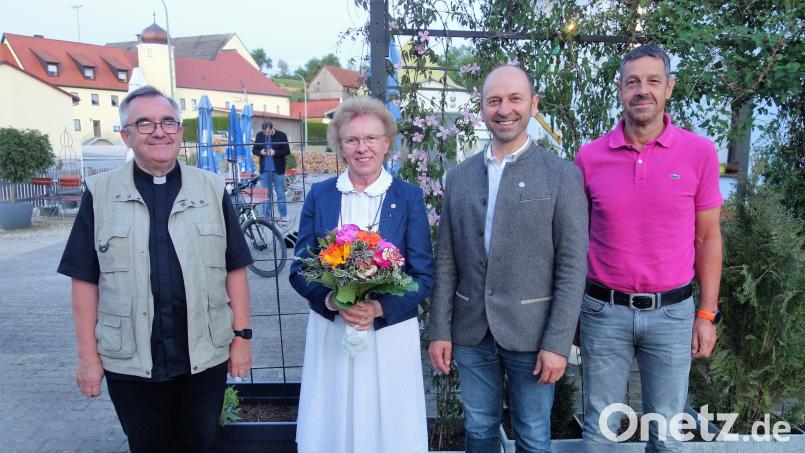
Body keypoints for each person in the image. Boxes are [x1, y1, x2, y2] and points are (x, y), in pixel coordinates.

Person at [57, 86, 254, 453]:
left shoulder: (211, 189)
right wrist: (87, 358)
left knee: (202, 443)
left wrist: (241, 339)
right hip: (130, 359)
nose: (159, 132)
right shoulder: (100, 194)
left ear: (180, 131)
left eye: (168, 122)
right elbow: (84, 280)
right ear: (126, 136)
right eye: (145, 123)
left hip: (204, 354)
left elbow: (235, 268)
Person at [428, 65, 589, 453]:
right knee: (478, 428)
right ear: (482, 108)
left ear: (534, 104)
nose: (504, 109)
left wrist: (558, 343)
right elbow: (446, 259)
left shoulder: (562, 176)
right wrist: (439, 330)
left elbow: (572, 267)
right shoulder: (459, 177)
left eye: (515, 98)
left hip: (533, 335)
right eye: (494, 100)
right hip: (471, 331)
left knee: (533, 435)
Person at [574, 45, 723, 452]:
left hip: (672, 315)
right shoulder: (590, 157)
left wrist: (707, 313)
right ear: (620, 89)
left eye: (653, 81)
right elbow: (574, 241)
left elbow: (709, 238)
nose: (643, 90)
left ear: (669, 87)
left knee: (668, 436)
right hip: (603, 312)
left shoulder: (699, 153)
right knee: (599, 433)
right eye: (633, 82)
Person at [289, 96, 434, 453]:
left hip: (388, 335)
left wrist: (379, 308)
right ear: (339, 145)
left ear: (387, 143)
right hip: (332, 331)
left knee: (388, 425)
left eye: (371, 138)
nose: (362, 147)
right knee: (333, 420)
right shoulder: (321, 195)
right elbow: (301, 268)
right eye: (352, 139)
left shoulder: (409, 197)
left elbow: (423, 275)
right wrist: (331, 300)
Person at [252, 120, 290, 221]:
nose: (266, 134)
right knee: (266, 194)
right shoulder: (259, 135)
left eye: (268, 132)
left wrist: (275, 152)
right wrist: (261, 152)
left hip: (278, 170)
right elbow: (254, 150)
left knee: (280, 193)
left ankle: (284, 216)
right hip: (264, 170)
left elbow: (287, 151)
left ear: (273, 128)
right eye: (264, 132)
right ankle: (266, 217)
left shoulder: (282, 135)